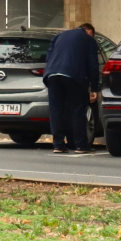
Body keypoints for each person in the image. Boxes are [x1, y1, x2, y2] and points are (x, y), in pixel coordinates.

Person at [43, 22, 100, 154]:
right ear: (89, 32)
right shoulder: (89, 40)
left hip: (52, 75)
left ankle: (58, 144)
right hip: (74, 76)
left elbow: (49, 56)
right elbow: (93, 65)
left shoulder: (59, 36)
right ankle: (80, 145)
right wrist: (94, 88)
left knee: (56, 110)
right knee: (78, 109)